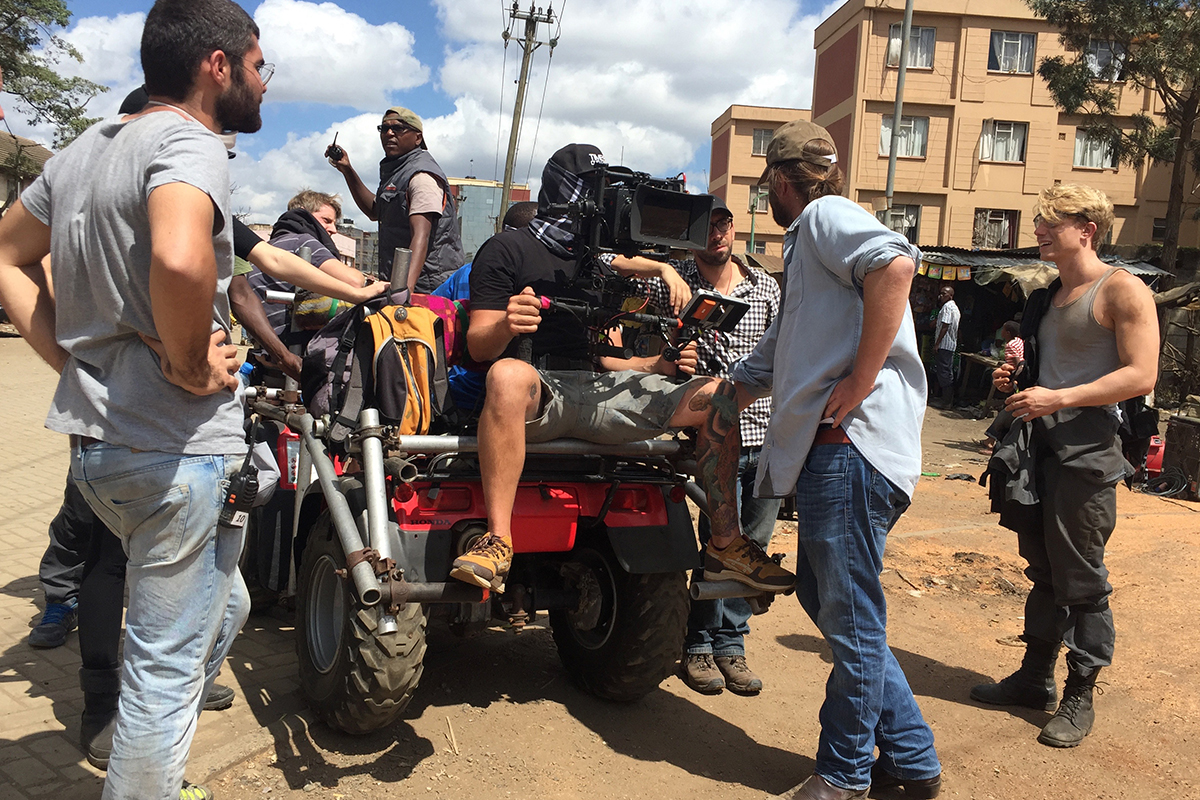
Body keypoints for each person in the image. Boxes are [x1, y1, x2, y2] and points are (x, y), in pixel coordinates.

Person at [0, 2, 269, 798]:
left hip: (100, 452)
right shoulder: (192, 140)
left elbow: (7, 258)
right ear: (217, 66)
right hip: (174, 449)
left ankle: (144, 762)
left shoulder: (81, 152)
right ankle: (147, 776)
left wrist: (72, 363)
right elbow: (181, 261)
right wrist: (188, 365)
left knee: (227, 605)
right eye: (259, 67)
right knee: (163, 669)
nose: (264, 84)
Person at [450, 143, 795, 598]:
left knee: (721, 395)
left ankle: (725, 546)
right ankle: (497, 540)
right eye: (599, 192)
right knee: (506, 374)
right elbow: (479, 345)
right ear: (569, 194)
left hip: (599, 389)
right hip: (539, 393)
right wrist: (507, 324)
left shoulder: (595, 255)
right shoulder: (507, 248)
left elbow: (617, 268)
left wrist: (664, 272)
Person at [728, 120, 941, 800]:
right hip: (841, 451)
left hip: (852, 446)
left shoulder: (823, 217)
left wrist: (860, 378)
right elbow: (782, 350)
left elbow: (896, 265)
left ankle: (844, 774)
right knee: (827, 598)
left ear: (780, 180)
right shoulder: (808, 248)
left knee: (849, 614)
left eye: (767, 183)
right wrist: (726, 392)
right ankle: (911, 760)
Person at [972, 184, 1158, 748]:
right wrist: (1017, 381)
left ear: (1087, 230)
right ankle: (1034, 679)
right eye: (1040, 222)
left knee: (1081, 577)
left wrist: (1059, 396)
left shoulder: (1122, 290)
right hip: (1035, 450)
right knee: (1044, 570)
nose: (1039, 231)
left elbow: (1141, 374)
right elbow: (1045, 372)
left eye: (1051, 222)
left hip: (1088, 451)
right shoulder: (1044, 297)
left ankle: (1081, 692)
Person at [621, 198, 782, 695]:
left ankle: (731, 644)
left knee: (751, 547)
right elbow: (609, 265)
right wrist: (663, 268)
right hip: (711, 437)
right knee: (718, 539)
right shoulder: (674, 283)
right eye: (707, 227)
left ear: (733, 228)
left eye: (724, 224)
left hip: (766, 433)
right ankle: (698, 643)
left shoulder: (766, 288)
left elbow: (790, 349)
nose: (717, 234)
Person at [327, 107, 464, 293]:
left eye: (398, 128)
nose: (389, 133)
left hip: (427, 288)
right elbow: (375, 212)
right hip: (401, 283)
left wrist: (403, 290)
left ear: (418, 138)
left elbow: (420, 236)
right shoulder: (398, 172)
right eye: (384, 129)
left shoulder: (422, 176)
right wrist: (347, 170)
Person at [430, 200, 539, 414]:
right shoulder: (538, 280)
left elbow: (428, 314)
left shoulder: (466, 272)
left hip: (453, 393)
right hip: (501, 397)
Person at [931, 284, 959, 408]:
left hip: (944, 345)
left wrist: (937, 344)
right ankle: (947, 400)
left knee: (944, 373)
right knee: (946, 372)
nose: (940, 296)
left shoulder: (947, 307)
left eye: (944, 294)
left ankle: (946, 402)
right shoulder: (955, 308)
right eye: (940, 293)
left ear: (950, 296)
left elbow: (945, 326)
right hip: (950, 345)